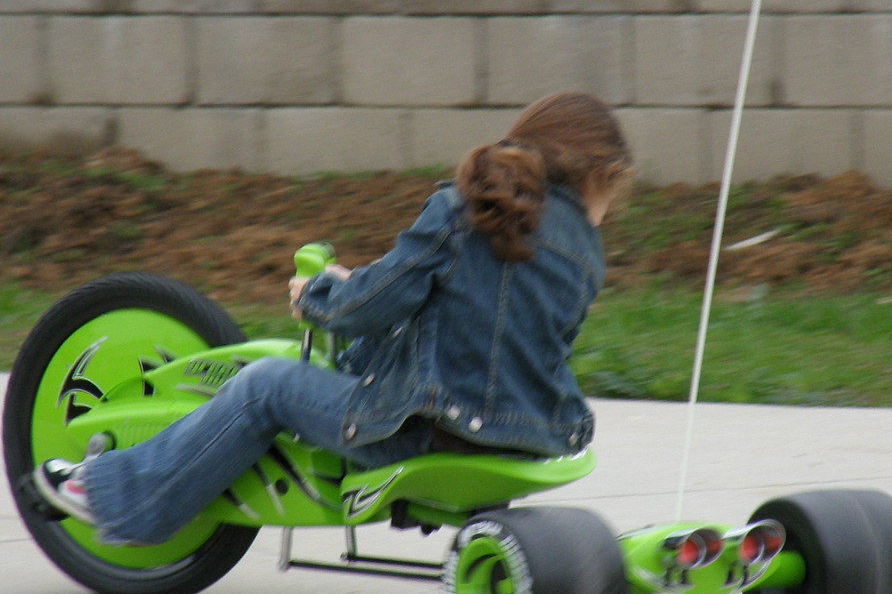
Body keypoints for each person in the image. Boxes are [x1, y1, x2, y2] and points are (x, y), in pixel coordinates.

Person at [33, 92, 633, 547]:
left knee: (266, 384)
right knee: (369, 362)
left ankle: (124, 499)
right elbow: (499, 333)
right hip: (532, 436)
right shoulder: (587, 257)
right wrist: (362, 295)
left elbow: (373, 306)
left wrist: (320, 295)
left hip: (429, 431)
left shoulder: (463, 210)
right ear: (595, 176)